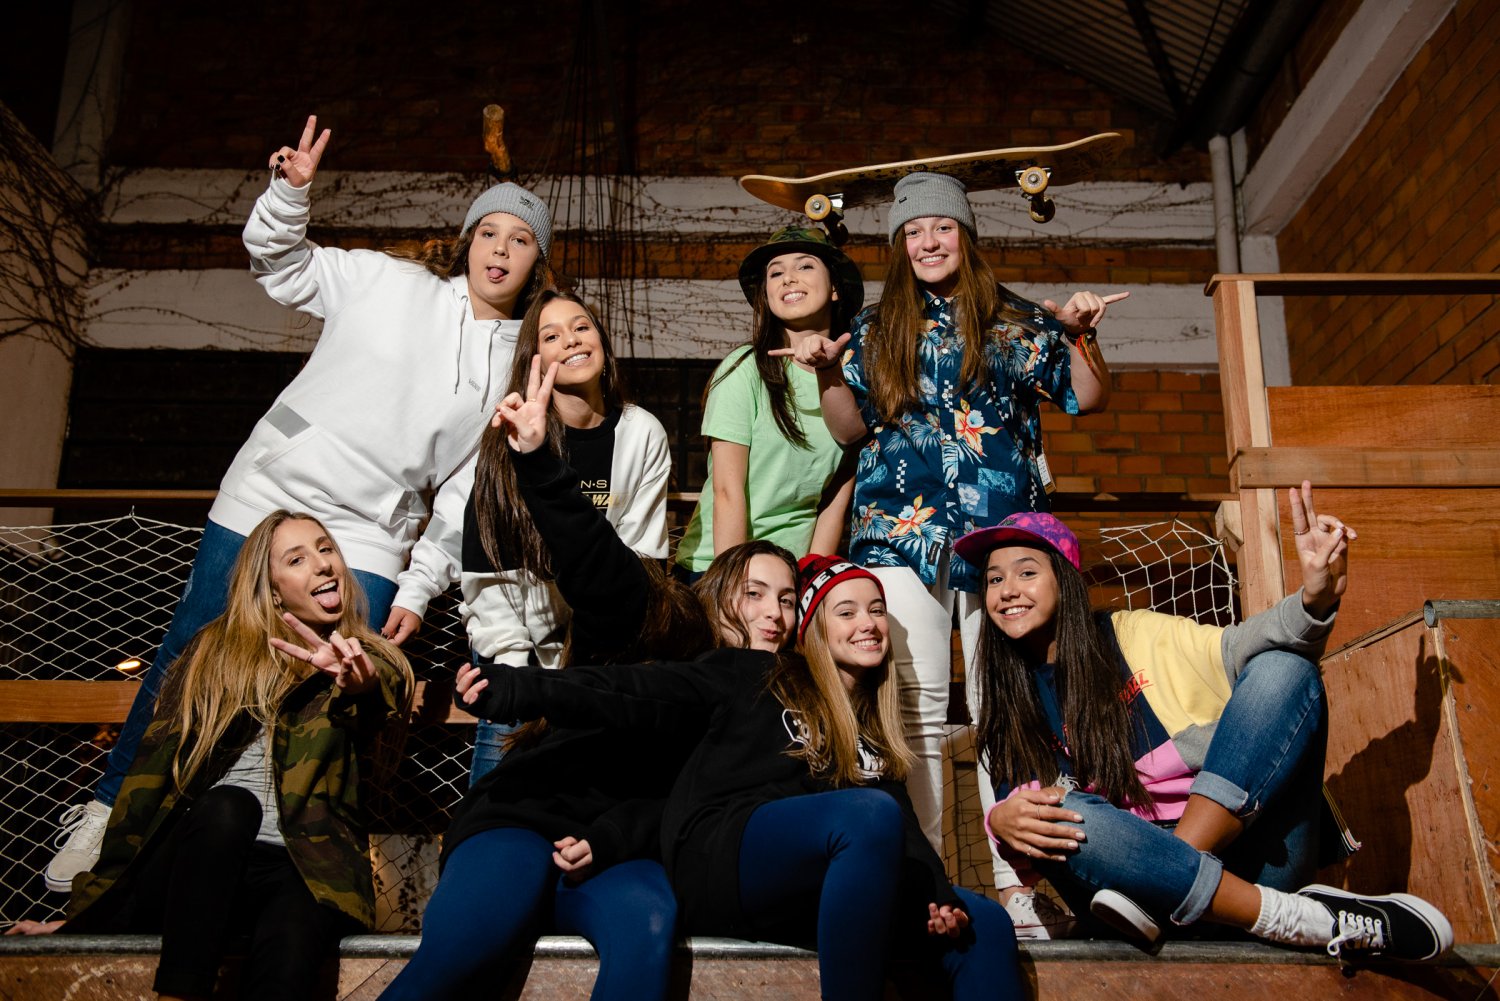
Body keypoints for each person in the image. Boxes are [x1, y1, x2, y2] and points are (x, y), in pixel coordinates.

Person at [46, 114, 554, 890]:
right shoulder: (388, 282)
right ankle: (112, 811)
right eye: (489, 232)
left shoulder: (516, 363)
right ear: (467, 241)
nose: (500, 249)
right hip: (273, 489)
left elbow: (464, 488)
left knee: (338, 684)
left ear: (536, 260)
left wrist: (418, 585)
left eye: (520, 240)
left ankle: (294, 854)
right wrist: (290, 195)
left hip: (370, 529)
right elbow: (282, 265)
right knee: (194, 653)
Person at [779, 170, 1125, 931]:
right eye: (913, 231)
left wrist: (1082, 332)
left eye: (941, 227)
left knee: (1006, 703)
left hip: (1000, 536)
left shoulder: (1015, 317)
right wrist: (829, 371)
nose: (928, 241)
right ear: (899, 245)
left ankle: (1018, 884)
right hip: (898, 532)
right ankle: (929, 883)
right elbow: (849, 428)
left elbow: (1087, 397)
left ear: (965, 235)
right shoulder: (873, 327)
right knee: (917, 709)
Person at [454, 553, 1023, 1001]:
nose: (868, 624)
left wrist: (935, 892)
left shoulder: (864, 723)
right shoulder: (745, 673)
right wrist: (520, 688)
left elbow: (898, 817)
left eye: (876, 611)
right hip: (719, 853)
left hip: (800, 875)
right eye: (846, 612)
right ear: (816, 628)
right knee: (865, 815)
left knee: (986, 921)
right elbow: (631, 691)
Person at [379, 358, 754, 1001]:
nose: (770, 612)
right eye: (754, 592)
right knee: (468, 947)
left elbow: (692, 807)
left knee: (650, 922)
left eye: (786, 599)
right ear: (717, 593)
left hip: (614, 851)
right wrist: (536, 461)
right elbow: (594, 556)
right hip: (528, 815)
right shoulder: (660, 622)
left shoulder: (762, 700)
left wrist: (613, 837)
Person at [961, 484, 1454, 962]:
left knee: (1284, 670)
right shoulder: (1008, 711)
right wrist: (1000, 822)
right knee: (1065, 815)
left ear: (1065, 581)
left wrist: (1314, 599)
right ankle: (1292, 918)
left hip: (1228, 865)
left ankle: (1168, 884)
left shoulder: (1132, 635)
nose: (1008, 591)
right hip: (1123, 886)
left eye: (1026, 572)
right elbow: (1040, 839)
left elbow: (1242, 646)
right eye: (994, 580)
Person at [10, 511, 415, 1001]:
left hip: (301, 868)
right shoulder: (215, 652)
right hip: (193, 863)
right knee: (230, 807)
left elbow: (378, 700)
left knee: (297, 927)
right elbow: (147, 785)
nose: (323, 564)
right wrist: (88, 916)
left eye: (325, 549)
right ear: (271, 589)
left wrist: (356, 683)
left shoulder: (372, 660)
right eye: (297, 559)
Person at [402, 291, 670, 783]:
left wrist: (593, 666)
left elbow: (639, 559)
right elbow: (488, 562)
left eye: (582, 327)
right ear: (534, 358)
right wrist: (515, 672)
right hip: (514, 642)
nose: (571, 340)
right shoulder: (508, 434)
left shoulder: (641, 433)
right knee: (500, 788)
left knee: (583, 796)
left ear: (602, 340)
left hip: (600, 651)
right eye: (552, 335)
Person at [674, 227, 859, 581]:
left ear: (835, 287)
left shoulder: (854, 380)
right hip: (720, 567)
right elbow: (727, 492)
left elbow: (833, 505)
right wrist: (734, 586)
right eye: (776, 273)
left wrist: (811, 584)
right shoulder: (744, 369)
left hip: (791, 574)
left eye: (805, 266)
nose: (788, 278)